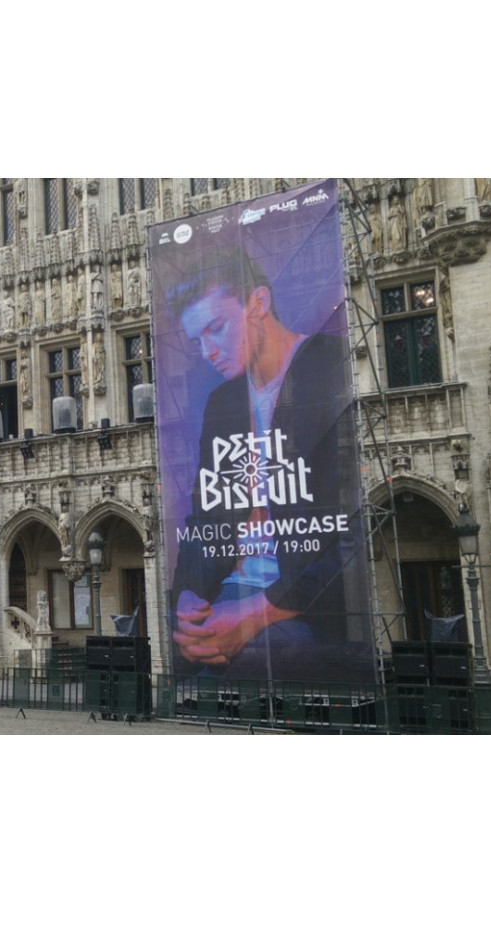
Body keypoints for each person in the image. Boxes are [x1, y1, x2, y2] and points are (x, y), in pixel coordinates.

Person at [166, 245, 359, 682]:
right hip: (231, 592)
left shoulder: (331, 365)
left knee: (236, 672)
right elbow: (202, 520)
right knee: (187, 661)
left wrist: (258, 613)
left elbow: (346, 532)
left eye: (216, 328)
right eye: (197, 340)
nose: (207, 351)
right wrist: (187, 598)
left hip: (300, 601)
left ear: (259, 302)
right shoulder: (221, 402)